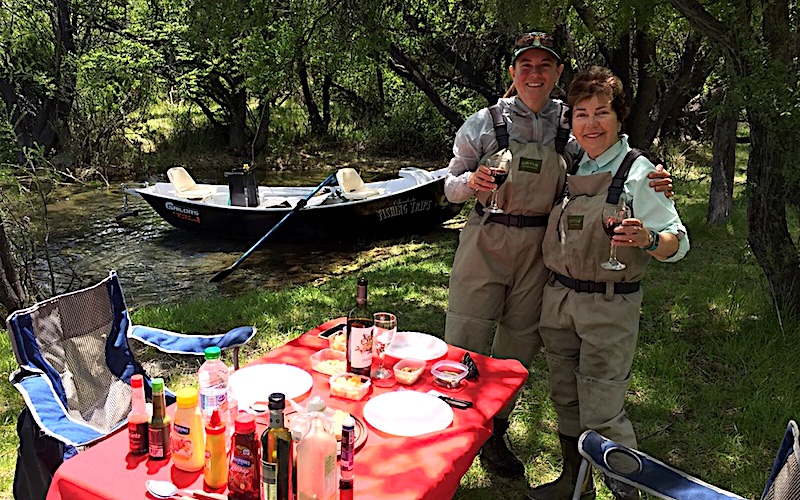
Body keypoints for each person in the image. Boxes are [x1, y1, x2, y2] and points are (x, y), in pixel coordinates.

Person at [443, 33, 673, 478]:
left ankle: (494, 434)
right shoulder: (483, 123)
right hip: (486, 239)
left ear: (556, 74)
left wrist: (653, 179)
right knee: (464, 344)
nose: (534, 73)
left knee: (517, 351)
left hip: (542, 253)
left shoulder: (571, 122)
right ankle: (451, 442)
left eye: (543, 65)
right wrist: (470, 184)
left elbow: (602, 165)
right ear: (512, 72)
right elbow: (448, 185)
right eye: (524, 65)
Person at [529, 66, 690, 500]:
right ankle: (572, 483)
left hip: (608, 306)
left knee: (602, 410)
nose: (591, 123)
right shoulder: (573, 163)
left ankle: (626, 492)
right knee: (565, 398)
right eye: (581, 114)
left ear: (619, 117)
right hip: (559, 300)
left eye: (601, 112)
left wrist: (650, 238)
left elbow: (680, 243)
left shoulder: (639, 172)